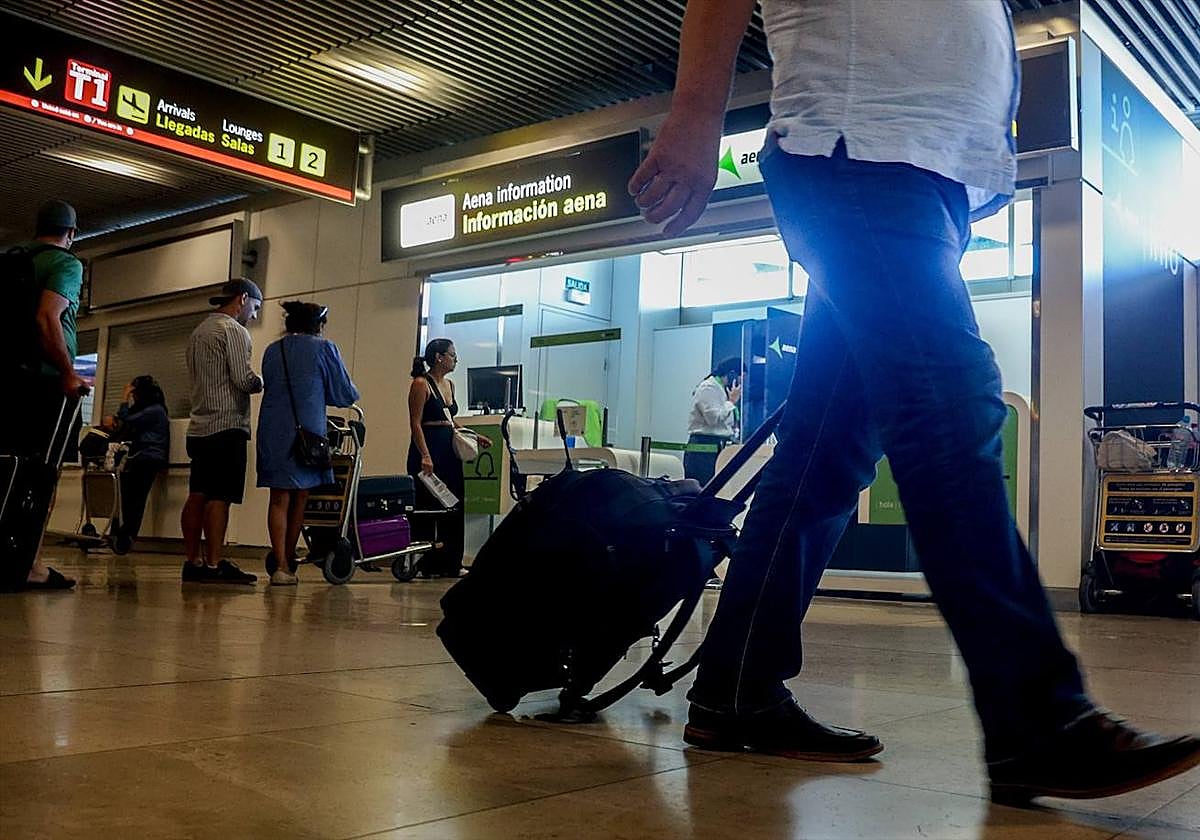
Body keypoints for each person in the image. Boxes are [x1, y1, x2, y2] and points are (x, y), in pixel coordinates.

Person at [628, 0, 1199, 804]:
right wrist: (694, 115)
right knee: (951, 411)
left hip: (920, 176)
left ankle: (736, 688)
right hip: (858, 151)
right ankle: (1039, 722)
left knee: (823, 459)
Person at [0, 200, 89, 592]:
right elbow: (47, 316)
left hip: (9, 382)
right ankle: (30, 565)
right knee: (43, 476)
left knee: (8, 469)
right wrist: (68, 373)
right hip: (45, 384)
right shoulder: (65, 263)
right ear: (71, 233)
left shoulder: (14, 262)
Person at [256, 301, 359, 586]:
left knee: (278, 497)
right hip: (308, 433)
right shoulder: (324, 348)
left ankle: (280, 563)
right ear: (318, 326)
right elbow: (344, 393)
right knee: (301, 495)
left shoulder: (272, 350)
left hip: (272, 430)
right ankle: (288, 561)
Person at [180, 279, 263, 585]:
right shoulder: (233, 330)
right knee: (220, 497)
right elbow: (243, 379)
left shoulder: (199, 331)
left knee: (197, 494)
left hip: (199, 428)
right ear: (243, 299)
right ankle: (214, 565)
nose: (254, 315)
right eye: (255, 307)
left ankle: (193, 561)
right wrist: (263, 382)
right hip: (227, 426)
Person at [407, 339, 491, 578]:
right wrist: (425, 454)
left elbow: (450, 421)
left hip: (448, 451)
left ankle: (451, 561)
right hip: (428, 449)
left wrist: (474, 436)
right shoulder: (421, 384)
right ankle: (425, 562)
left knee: (453, 503)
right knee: (428, 504)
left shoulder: (450, 385)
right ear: (439, 357)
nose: (456, 359)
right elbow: (415, 423)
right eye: (452, 355)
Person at [102, 376, 170, 555]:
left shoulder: (154, 411)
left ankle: (125, 535)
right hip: (144, 457)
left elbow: (126, 418)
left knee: (134, 499)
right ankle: (123, 535)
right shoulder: (156, 410)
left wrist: (124, 398)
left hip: (146, 458)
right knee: (132, 498)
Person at [684, 356, 742, 485]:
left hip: (718, 446)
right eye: (740, 379)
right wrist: (731, 402)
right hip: (704, 446)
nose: (740, 384)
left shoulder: (722, 389)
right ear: (732, 374)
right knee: (703, 487)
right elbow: (713, 419)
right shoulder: (708, 388)